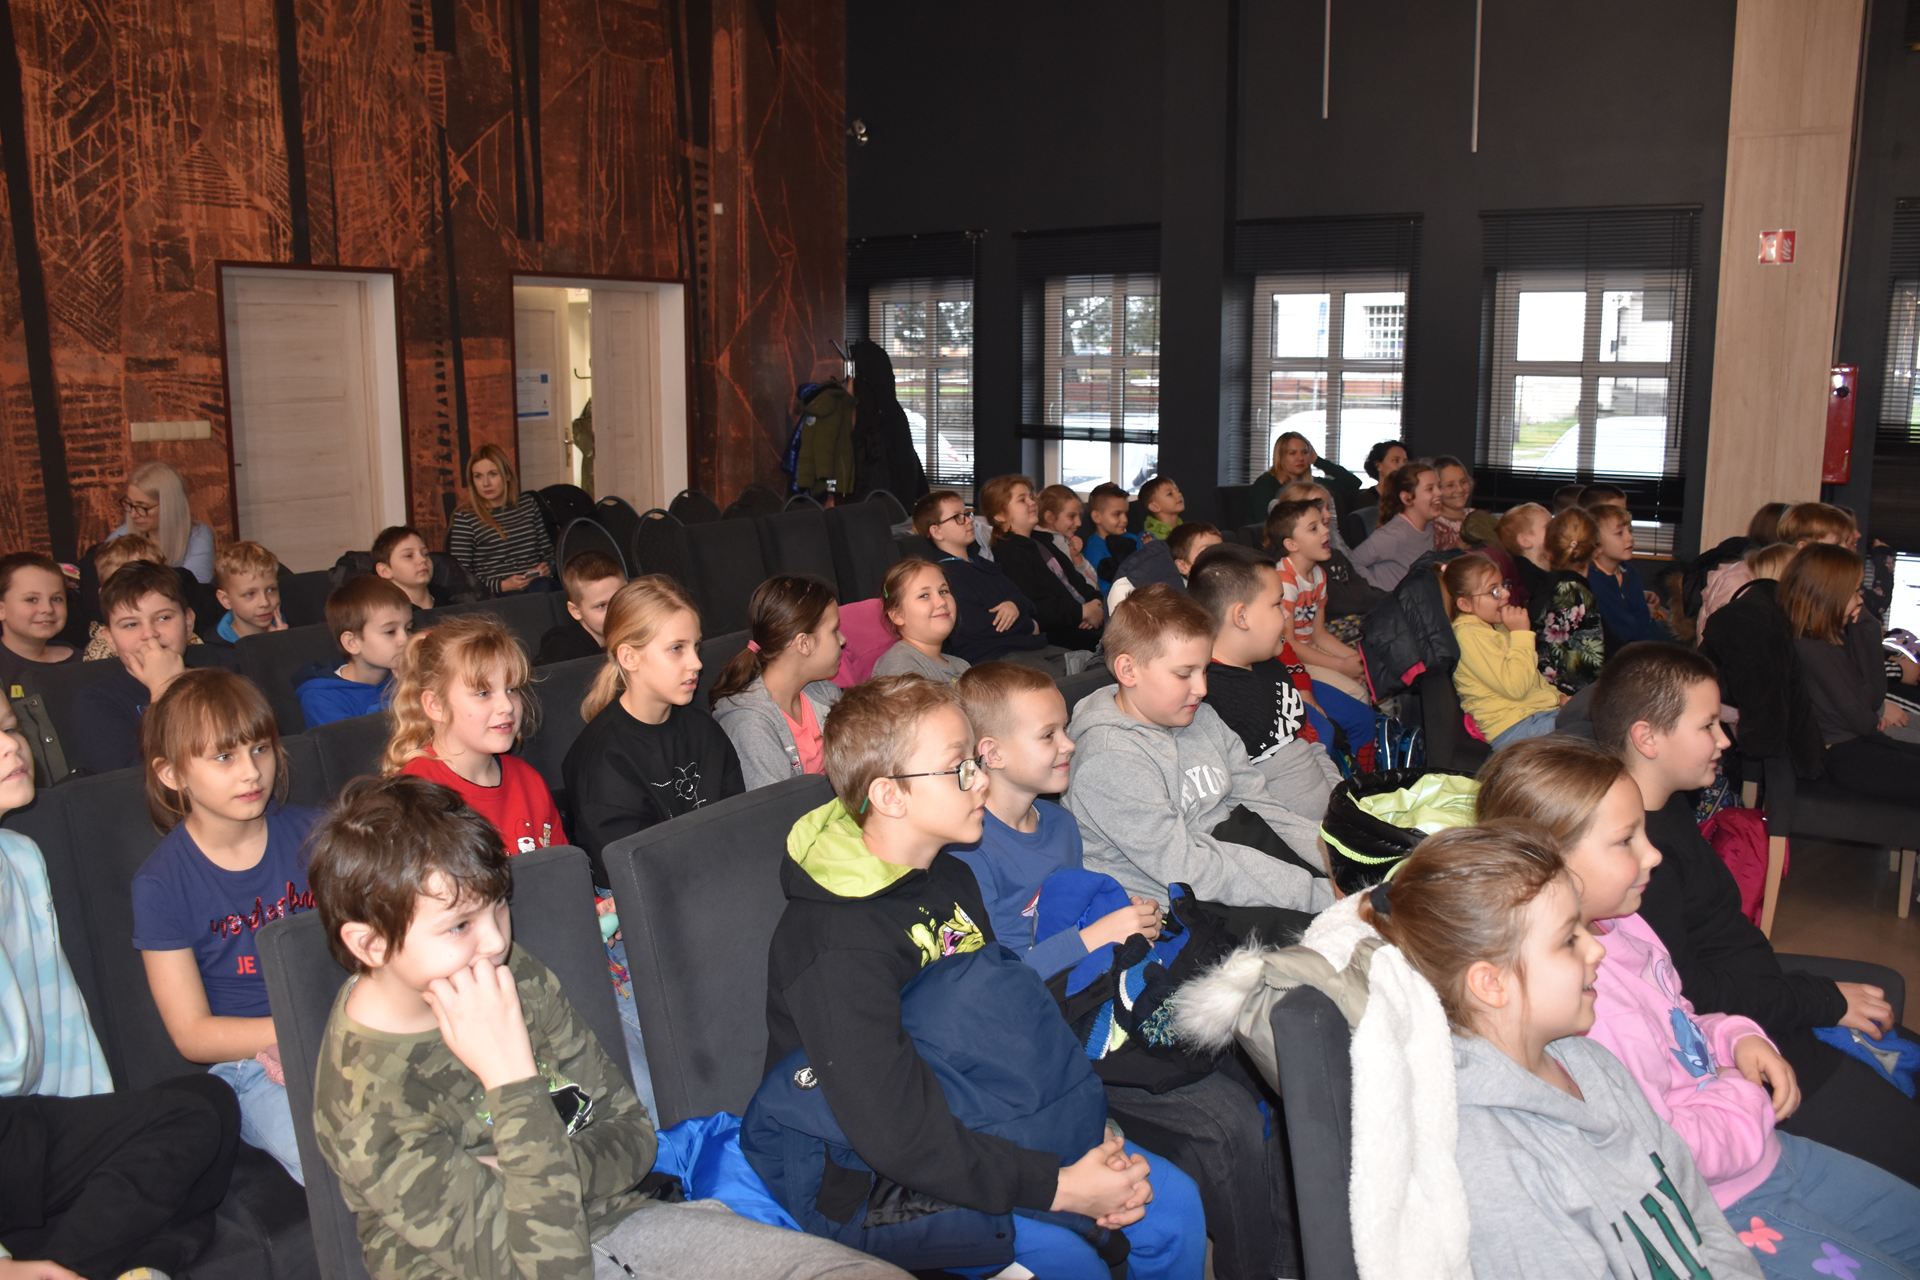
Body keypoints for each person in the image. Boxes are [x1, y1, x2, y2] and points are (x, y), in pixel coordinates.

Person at [308, 775, 901, 1280]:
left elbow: (633, 1137)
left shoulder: (511, 973)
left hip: (620, 1221)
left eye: (499, 906)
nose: (496, 942)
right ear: (371, 944)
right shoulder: (364, 1100)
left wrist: (526, 1172)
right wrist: (511, 1081)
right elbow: (551, 1268)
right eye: (460, 926)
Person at [763, 675, 1206, 1278]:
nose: (980, 781)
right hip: (868, 1172)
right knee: (1069, 1260)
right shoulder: (834, 944)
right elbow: (895, 1132)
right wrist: (1060, 1186)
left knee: (1174, 1208)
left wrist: (1085, 1130)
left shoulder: (949, 874)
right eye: (960, 768)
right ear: (890, 796)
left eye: (976, 761)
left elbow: (1015, 1023)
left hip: (977, 1113)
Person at [1478, 738, 1920, 1278]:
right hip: (1726, 1206)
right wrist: (1743, 1093)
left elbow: (1679, 1021)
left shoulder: (1625, 925)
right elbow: (1665, 1151)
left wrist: (1737, 1036)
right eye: (1626, 840)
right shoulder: (1584, 1005)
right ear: (1549, 864)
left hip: (1768, 1153)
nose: (1653, 854)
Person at [951, 659, 1296, 1280]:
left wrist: (1126, 921)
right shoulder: (971, 851)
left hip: (1105, 1000)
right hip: (1057, 1038)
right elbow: (997, 979)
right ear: (992, 753)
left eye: (1066, 729)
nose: (1069, 745)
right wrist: (1094, 935)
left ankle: (1282, 1254)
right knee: (1226, 1121)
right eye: (1049, 735)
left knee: (1255, 1068)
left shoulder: (1059, 824)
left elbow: (1087, 919)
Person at [1357, 825, 1761, 1277]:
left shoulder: (1591, 1062)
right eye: (1570, 939)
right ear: (1491, 983)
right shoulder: (1492, 1163)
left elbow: (1698, 1213)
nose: (1597, 950)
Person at [1589, 642, 1920, 1185]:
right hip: (1751, 1040)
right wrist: (1822, 999)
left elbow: (1719, 945)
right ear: (1647, 738)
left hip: (1762, 1001)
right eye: (1707, 726)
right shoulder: (1638, 865)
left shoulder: (1665, 806)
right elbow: (1690, 997)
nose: (1725, 740)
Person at [0, 690, 241, 1277]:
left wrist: (99, 1122)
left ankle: (88, 1260)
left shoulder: (19, 856)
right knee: (185, 1126)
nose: (11, 747)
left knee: (211, 1105)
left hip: (23, 1130)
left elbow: (57, 1020)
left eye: (9, 727)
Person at [133, 668, 319, 1183]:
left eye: (260, 749)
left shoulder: (317, 834)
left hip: (349, 1026)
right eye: (224, 757)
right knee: (340, 1158)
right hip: (251, 1064)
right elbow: (193, 1034)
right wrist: (308, 1023)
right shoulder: (160, 883)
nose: (251, 772)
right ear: (172, 774)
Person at [1065, 584, 1335, 935]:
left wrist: (1341, 860)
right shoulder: (1108, 760)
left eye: (1204, 670)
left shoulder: (1201, 717)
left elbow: (1263, 808)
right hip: (1180, 910)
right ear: (1128, 671)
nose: (1202, 688)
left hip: (1239, 869)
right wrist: (1319, 895)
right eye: (1184, 674)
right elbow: (1189, 869)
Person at [563, 576, 743, 882]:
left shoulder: (703, 730)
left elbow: (737, 820)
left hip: (717, 878)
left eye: (696, 646)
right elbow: (635, 874)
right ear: (629, 657)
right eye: (676, 648)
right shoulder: (602, 760)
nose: (697, 663)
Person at [385, 614, 564, 856]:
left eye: (511, 689)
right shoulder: (412, 799)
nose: (507, 706)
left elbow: (562, 873)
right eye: (483, 693)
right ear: (436, 706)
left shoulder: (529, 781)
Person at [1189, 544, 1343, 821]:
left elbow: (1309, 744)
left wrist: (1343, 800)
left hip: (1334, 817)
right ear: (1241, 616)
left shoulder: (1271, 666)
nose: (1286, 615)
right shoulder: (1207, 699)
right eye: (1276, 604)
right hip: (1297, 840)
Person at [1780, 544, 1920, 800]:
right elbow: (1861, 713)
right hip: (1844, 755)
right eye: (1854, 592)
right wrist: (1873, 717)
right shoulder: (1813, 648)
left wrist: (1864, 624)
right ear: (1829, 595)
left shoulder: (1829, 641)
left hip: (1856, 745)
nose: (1860, 600)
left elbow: (1873, 697)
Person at [71, 560, 236, 775]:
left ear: (188, 622)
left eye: (163, 618)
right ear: (110, 639)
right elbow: (136, 782)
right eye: (131, 624)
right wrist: (163, 688)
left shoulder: (226, 671)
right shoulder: (97, 703)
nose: (150, 634)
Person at [711, 576, 845, 791]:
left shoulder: (825, 692)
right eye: (834, 630)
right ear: (804, 643)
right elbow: (778, 806)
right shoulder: (750, 725)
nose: (842, 640)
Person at [911, 490, 1053, 665]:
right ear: (937, 531)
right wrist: (1030, 625)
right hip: (996, 659)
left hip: (1028, 648)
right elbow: (976, 627)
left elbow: (1025, 600)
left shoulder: (983, 564)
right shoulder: (943, 576)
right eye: (958, 517)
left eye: (967, 514)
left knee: (1081, 663)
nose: (969, 520)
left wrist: (1013, 604)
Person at [1442, 553, 1564, 749]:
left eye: (1504, 585)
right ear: (1465, 604)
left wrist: (1559, 697)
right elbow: (1516, 687)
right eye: (1494, 591)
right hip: (1515, 728)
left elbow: (1532, 679)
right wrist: (1521, 634)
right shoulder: (1468, 635)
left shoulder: (1496, 626)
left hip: (1537, 715)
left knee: (1599, 708)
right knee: (1593, 728)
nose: (1506, 594)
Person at [978, 475, 1103, 648]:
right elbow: (1033, 606)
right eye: (1022, 499)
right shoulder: (1008, 553)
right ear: (1000, 515)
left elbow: (1078, 581)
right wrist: (1082, 612)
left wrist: (1096, 603)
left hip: (1088, 622)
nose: (1032, 502)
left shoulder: (1042, 541)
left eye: (1031, 496)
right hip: (1062, 639)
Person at [1270, 498, 1368, 699]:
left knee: (1365, 671)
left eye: (1323, 524)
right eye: (1314, 528)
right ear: (1292, 544)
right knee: (1356, 692)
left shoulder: (1318, 575)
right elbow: (1288, 642)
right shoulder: (1285, 581)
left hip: (1308, 649)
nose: (1325, 531)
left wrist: (1354, 660)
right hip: (1290, 661)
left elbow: (1319, 633)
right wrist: (1340, 666)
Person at [295, 575, 413, 728]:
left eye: (408, 628)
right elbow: (357, 739)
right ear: (352, 643)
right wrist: (408, 692)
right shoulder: (322, 698)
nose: (405, 639)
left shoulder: (405, 675)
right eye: (390, 631)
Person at [447, 444, 555, 596]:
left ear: (507, 475)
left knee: (545, 589)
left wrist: (547, 568)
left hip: (538, 587)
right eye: (478, 476)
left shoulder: (528, 504)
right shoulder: (465, 517)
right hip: (496, 596)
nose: (486, 483)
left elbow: (549, 553)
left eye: (493, 474)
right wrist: (502, 586)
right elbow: (459, 577)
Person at [1530, 507, 1606, 695]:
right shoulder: (1576, 593)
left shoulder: (1543, 584)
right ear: (1596, 550)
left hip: (1539, 688)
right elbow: (1588, 666)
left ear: (1548, 547)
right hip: (1568, 697)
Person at [109, 460, 215, 584]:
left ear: (169, 506)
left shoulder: (198, 536)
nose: (133, 514)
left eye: (143, 507)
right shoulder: (121, 535)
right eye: (130, 504)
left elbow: (195, 585)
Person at [870, 558, 970, 683]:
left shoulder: (962, 666)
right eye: (924, 595)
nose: (942, 602)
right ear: (897, 615)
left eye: (943, 591)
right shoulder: (899, 666)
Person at [1586, 503, 1671, 649]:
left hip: (1644, 646)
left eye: (1630, 531)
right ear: (1596, 543)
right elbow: (1620, 631)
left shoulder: (1630, 573)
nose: (1630, 538)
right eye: (1619, 533)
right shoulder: (1591, 580)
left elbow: (1644, 621)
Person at [1350, 460, 1439, 591]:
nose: (1439, 493)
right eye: (1430, 489)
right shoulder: (1394, 534)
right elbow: (1353, 562)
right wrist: (1380, 592)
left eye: (1439, 487)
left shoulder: (1430, 526)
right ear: (1407, 498)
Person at [0, 552, 77, 701]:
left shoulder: (86, 660)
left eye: (56, 599)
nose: (47, 608)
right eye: (32, 599)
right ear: (1, 610)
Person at [536, 550, 627, 666]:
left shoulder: (641, 633)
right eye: (601, 606)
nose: (614, 611)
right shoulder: (563, 651)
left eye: (619, 599)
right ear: (576, 611)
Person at [1108, 521, 1223, 609]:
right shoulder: (1177, 601)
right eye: (1206, 552)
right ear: (1183, 566)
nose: (1218, 557)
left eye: (1221, 550)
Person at [209, 540, 287, 645]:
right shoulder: (214, 649)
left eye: (270, 590)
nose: (265, 603)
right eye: (250, 594)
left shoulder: (289, 630)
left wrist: (285, 643)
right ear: (226, 600)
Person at [1036, 483, 1102, 595]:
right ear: (1050, 517)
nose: (1079, 523)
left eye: (1079, 516)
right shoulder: (1056, 546)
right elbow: (1091, 585)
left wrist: (1077, 558)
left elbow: (1094, 583)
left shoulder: (1066, 542)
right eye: (1071, 516)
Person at [1430, 456, 1496, 551]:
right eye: (1450, 485)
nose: (1460, 489)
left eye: (1463, 482)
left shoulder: (1477, 516)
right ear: (1436, 489)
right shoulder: (1434, 527)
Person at [1083, 483, 1137, 592]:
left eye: (1126, 514)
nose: (1125, 520)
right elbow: (1107, 590)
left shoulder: (1132, 538)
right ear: (1096, 517)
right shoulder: (1094, 551)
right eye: (1117, 514)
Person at [371, 524, 436, 612]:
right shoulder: (384, 614)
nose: (423, 559)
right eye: (409, 556)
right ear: (385, 571)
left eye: (425, 554)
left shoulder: (451, 600)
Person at [1140, 476, 1185, 542]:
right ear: (1154, 507)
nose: (1179, 494)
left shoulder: (1185, 529)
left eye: (1178, 491)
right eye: (1170, 494)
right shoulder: (1149, 538)